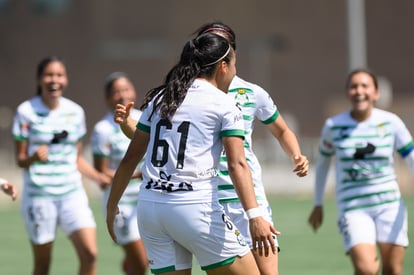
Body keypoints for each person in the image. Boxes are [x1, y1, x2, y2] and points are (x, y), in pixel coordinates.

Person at [115, 21, 310, 275]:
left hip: (244, 200)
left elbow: (280, 131)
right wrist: (128, 124)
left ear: (230, 55)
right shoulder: (183, 94)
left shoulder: (251, 93)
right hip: (208, 198)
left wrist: (296, 155)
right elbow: (163, 142)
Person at [308, 68, 413, 275]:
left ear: (376, 93)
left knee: (392, 269)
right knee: (366, 269)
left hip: (389, 205)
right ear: (348, 92)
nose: (359, 91)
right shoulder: (334, 126)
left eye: (365, 86)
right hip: (353, 208)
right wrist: (318, 202)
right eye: (354, 86)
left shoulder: (391, 123)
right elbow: (323, 163)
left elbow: (411, 156)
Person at [12, 56, 110, 275]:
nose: (54, 80)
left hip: (71, 193)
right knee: (43, 264)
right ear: (39, 79)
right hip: (40, 196)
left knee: (90, 254)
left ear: (65, 79)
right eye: (49, 75)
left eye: (59, 75)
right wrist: (33, 158)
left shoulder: (75, 112)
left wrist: (96, 176)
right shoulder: (25, 111)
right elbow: (20, 160)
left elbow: (76, 158)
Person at [91, 72, 148, 275]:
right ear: (107, 98)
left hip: (147, 197)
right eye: (116, 92)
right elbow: (101, 171)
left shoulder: (145, 118)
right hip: (121, 201)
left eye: (126, 89)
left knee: (149, 257)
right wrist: (136, 174)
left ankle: (129, 264)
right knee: (141, 264)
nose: (122, 95)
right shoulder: (103, 129)